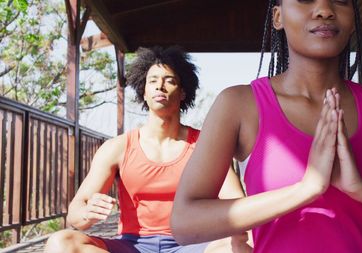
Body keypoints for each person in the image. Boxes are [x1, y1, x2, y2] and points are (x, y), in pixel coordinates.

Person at [171, 0, 362, 252]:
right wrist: (305, 189)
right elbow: (185, 223)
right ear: (278, 17)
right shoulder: (238, 104)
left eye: (341, 0)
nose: (324, 10)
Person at [44, 46, 251, 253]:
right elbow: (75, 213)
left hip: (191, 243)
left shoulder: (204, 145)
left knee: (241, 245)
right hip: (132, 246)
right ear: (143, 92)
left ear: (182, 92)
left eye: (169, 80)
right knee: (61, 243)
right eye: (152, 81)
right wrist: (87, 213)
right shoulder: (117, 148)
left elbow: (237, 205)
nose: (160, 86)